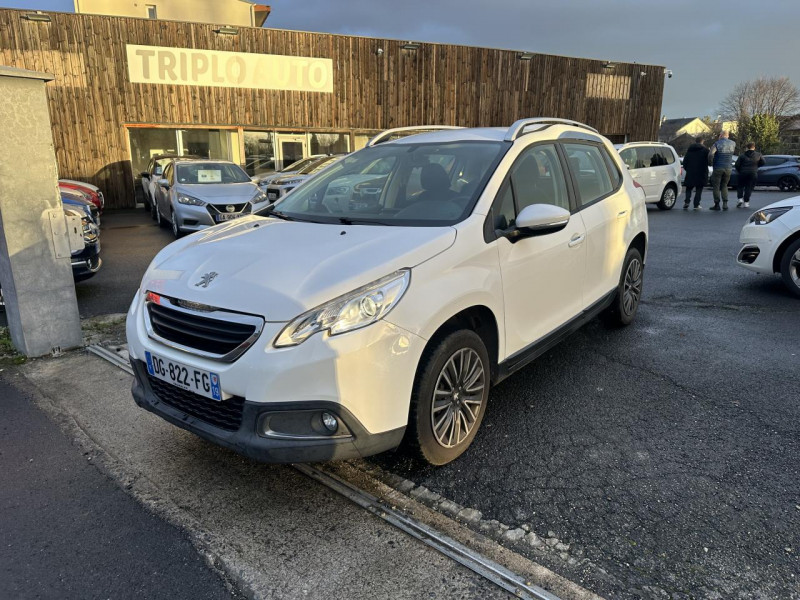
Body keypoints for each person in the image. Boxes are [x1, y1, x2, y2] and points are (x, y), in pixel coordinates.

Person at [708, 131, 736, 210]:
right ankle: (725, 204)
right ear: (728, 136)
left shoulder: (717, 143)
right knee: (724, 185)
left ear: (720, 135)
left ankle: (717, 204)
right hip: (728, 168)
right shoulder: (733, 143)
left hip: (718, 167)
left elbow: (710, 154)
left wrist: (710, 163)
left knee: (716, 186)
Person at [681, 137, 709, 210]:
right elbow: (709, 161)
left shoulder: (690, 150)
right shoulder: (706, 151)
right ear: (702, 141)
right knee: (699, 189)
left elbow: (685, 162)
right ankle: (696, 205)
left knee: (689, 188)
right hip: (701, 172)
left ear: (695, 141)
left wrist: (688, 169)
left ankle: (687, 201)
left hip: (691, 172)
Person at [734, 142, 764, 208]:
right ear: (754, 147)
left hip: (743, 173)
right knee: (749, 187)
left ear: (747, 148)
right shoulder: (758, 155)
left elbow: (737, 165)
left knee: (740, 186)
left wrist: (740, 170)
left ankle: (740, 199)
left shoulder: (742, 155)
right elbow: (763, 162)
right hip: (753, 173)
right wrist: (756, 166)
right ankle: (746, 202)